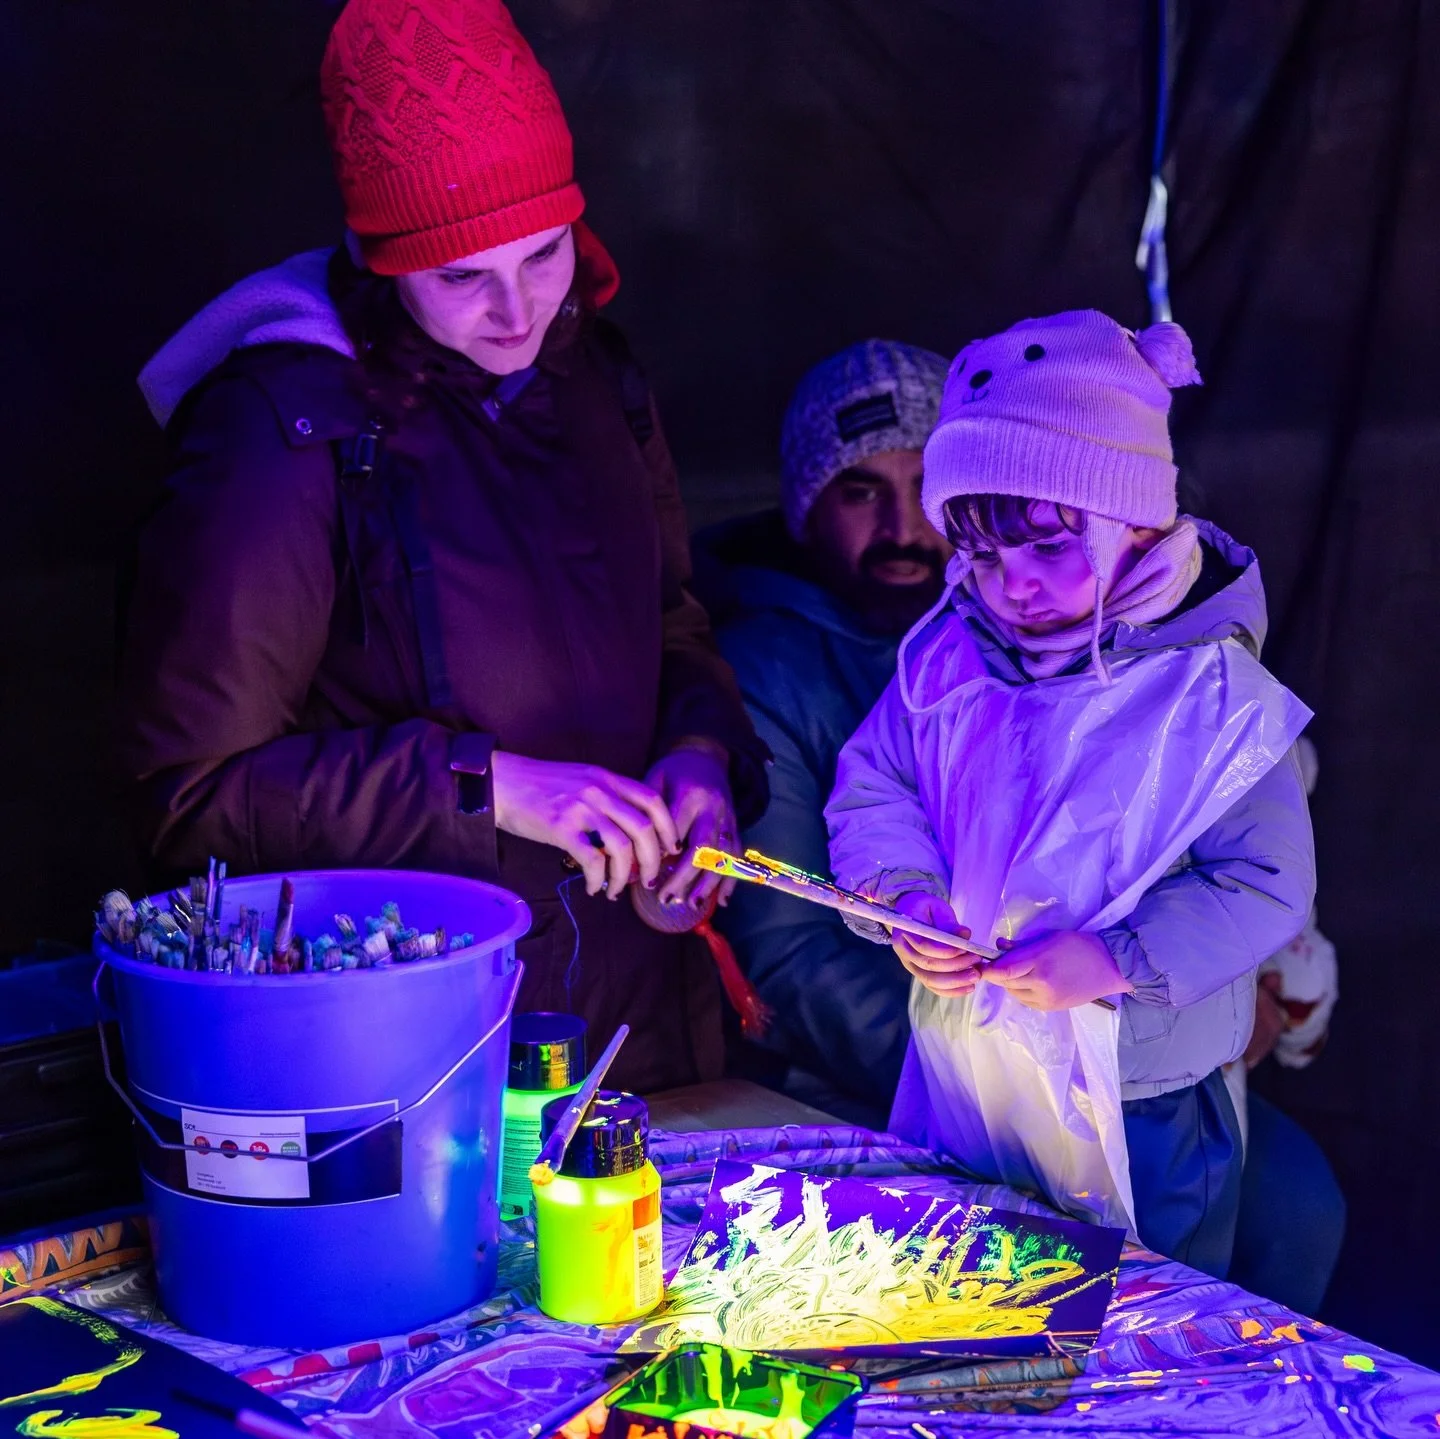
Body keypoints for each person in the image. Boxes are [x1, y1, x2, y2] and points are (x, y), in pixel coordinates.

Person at [114, 0, 766, 1094]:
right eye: (464, 276)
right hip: (419, 1054)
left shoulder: (591, 375)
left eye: (547, 254)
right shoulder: (282, 427)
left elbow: (671, 621)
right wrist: (491, 786)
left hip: (643, 1015)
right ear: (383, 265)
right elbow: (190, 794)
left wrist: (698, 759)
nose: (519, 312)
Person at [827, 310, 1316, 1275]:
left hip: (1148, 1099)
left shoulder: (1208, 692)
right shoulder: (946, 661)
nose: (1014, 585)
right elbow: (876, 787)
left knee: (1144, 1331)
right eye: (985, 555)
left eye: (1052, 548)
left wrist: (1116, 957)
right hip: (974, 1081)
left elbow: (1266, 879)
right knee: (977, 1316)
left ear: (1136, 518)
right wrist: (901, 900)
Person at [690, 341, 951, 1127]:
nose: (904, 527)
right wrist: (983, 1087)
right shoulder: (766, 667)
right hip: (867, 1082)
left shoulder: (1025, 632)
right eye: (861, 490)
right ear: (808, 508)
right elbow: (790, 949)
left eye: (930, 485)